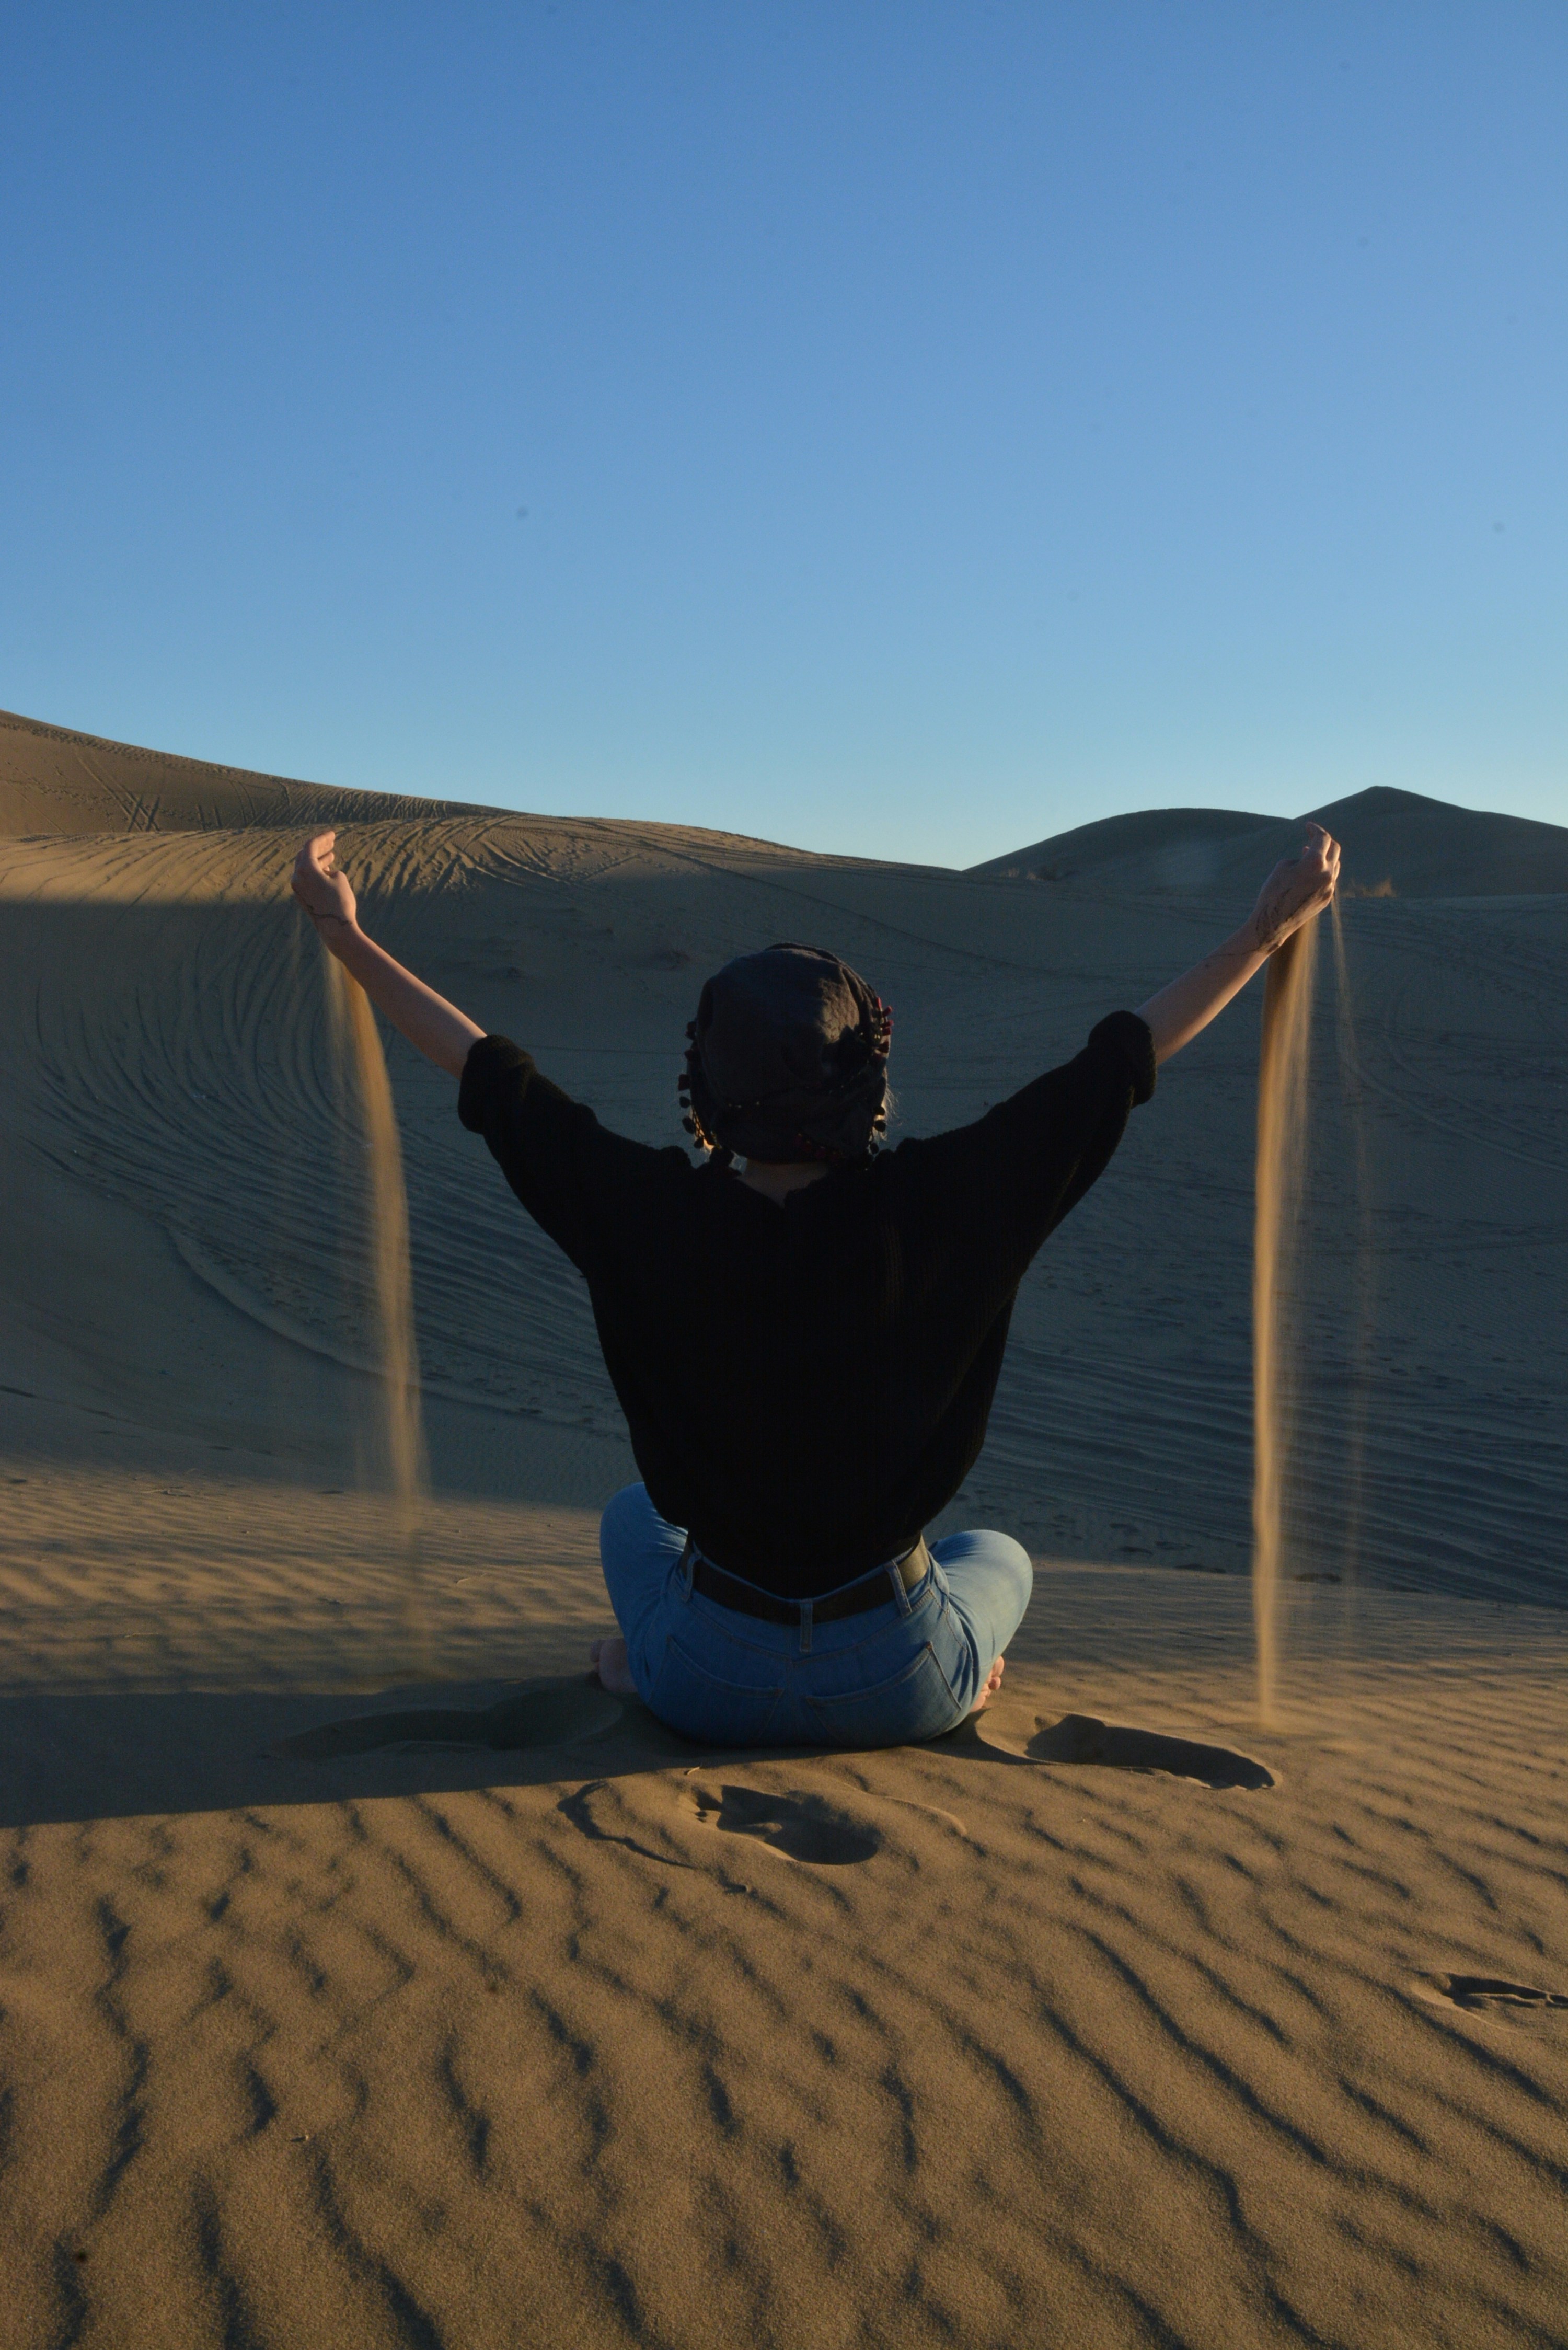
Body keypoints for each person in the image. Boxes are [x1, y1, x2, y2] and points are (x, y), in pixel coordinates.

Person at [291, 819, 1339, 1748]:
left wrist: (347, 936)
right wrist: (1261, 935)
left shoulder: (640, 1207)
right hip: (898, 1675)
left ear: (703, 1089)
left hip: (710, 1683)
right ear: (867, 1083)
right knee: (998, 1555)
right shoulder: (955, 1198)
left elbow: (489, 1076)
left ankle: (636, 1665)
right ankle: (964, 1678)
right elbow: (1120, 1064)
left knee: (630, 1522)